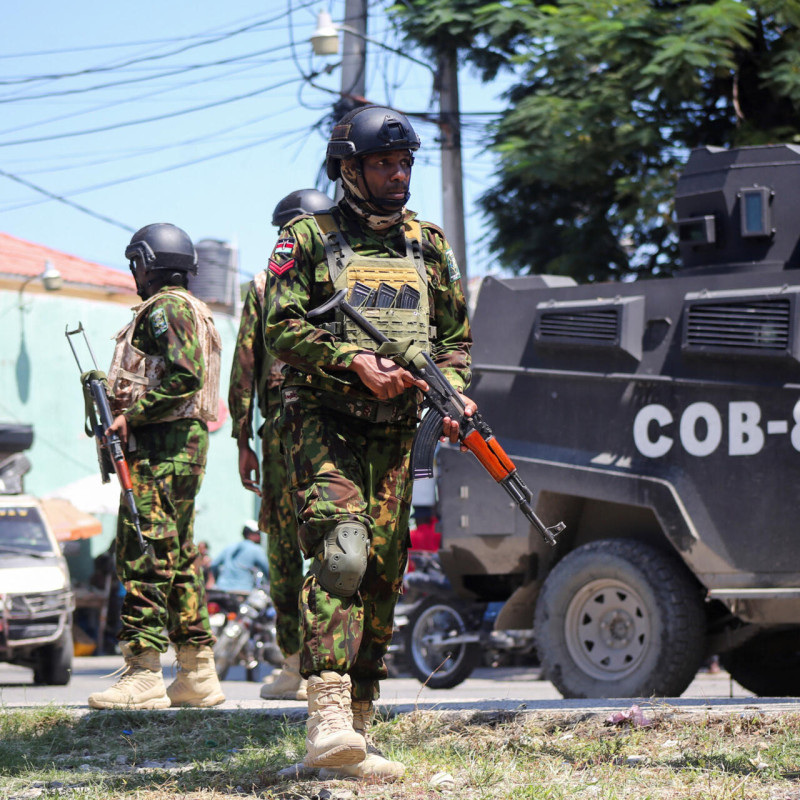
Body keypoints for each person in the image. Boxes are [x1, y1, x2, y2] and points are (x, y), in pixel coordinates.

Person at [264, 105, 473, 780]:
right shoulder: (307, 238)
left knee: (384, 574)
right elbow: (280, 329)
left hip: (396, 435)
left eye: (405, 162)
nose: (398, 174)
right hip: (324, 424)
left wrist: (455, 393)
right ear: (350, 169)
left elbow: (455, 340)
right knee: (344, 555)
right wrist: (351, 360)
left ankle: (356, 726)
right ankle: (324, 708)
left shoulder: (429, 246)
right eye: (383, 163)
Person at [88, 223, 225, 710]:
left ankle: (143, 669)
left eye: (136, 264)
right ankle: (196, 672)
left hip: (164, 446)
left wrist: (130, 415)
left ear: (148, 263)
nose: (134, 274)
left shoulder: (167, 308)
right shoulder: (193, 309)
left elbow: (185, 376)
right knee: (179, 554)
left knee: (143, 548)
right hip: (179, 445)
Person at [228, 188, 332, 702]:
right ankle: (331, 667)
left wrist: (241, 437)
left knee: (288, 547)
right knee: (335, 539)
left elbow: (246, 363)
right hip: (337, 430)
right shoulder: (349, 277)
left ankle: (296, 666)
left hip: (285, 430)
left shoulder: (268, 282)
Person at [209, 520, 271, 593]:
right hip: (243, 592)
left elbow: (214, 564)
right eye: (258, 534)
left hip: (222, 590)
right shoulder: (256, 550)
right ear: (251, 534)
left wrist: (217, 579)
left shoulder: (230, 547)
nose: (260, 537)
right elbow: (268, 571)